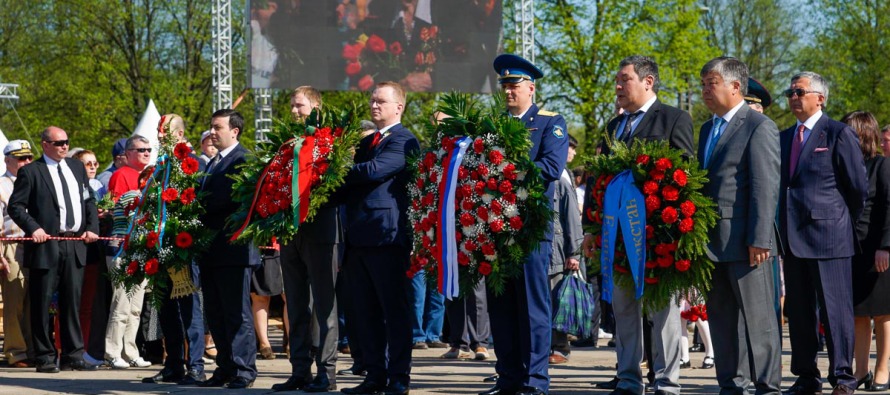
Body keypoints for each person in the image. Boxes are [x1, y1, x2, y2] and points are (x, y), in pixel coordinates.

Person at [581, 55, 695, 395]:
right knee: (624, 309)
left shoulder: (674, 119)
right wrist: (590, 227)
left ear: (648, 82)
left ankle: (666, 380)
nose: (617, 86)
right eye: (617, 79)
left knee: (663, 312)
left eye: (624, 79)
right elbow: (598, 177)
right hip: (616, 235)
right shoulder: (613, 127)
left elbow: (685, 174)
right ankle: (628, 377)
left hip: (657, 235)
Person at [479, 54, 568, 395]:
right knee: (501, 309)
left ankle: (534, 381)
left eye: (514, 85)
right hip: (494, 231)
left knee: (533, 309)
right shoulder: (494, 125)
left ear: (531, 88)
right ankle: (509, 378)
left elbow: (549, 167)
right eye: (504, 85)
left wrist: (504, 175)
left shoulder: (549, 123)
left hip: (529, 227)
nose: (508, 92)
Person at [697, 56, 782, 394]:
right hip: (712, 244)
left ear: (735, 87)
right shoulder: (707, 128)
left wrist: (760, 238)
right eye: (702, 84)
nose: (704, 90)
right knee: (721, 320)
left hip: (749, 244)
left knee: (759, 322)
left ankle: (767, 386)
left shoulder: (759, 126)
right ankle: (731, 385)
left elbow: (765, 185)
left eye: (711, 83)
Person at [779, 71, 868, 395]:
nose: (793, 97)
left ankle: (843, 377)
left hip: (830, 238)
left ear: (820, 98)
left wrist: (842, 223)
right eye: (790, 92)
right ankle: (806, 377)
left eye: (799, 91)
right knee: (800, 313)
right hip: (793, 238)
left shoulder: (837, 133)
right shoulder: (785, 136)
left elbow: (858, 189)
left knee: (835, 314)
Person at [339, 81, 419, 395]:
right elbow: (355, 179)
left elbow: (374, 171)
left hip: (387, 236)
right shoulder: (368, 140)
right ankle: (374, 375)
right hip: (358, 236)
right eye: (372, 101)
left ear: (398, 107)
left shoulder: (404, 139)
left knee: (393, 311)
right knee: (365, 312)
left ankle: (399, 377)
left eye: (381, 101)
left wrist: (339, 170)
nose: (374, 106)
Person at [8, 126, 100, 373]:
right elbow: (16, 207)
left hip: (75, 243)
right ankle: (45, 356)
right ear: (45, 144)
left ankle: (73, 354)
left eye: (67, 142)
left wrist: (92, 227)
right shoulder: (31, 171)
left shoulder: (76, 168)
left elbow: (88, 200)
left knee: (72, 302)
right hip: (46, 243)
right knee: (41, 302)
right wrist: (33, 228)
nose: (64, 147)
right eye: (59, 143)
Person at [271, 85, 341, 393]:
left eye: (299, 105)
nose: (294, 111)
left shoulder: (331, 142)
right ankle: (300, 370)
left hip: (321, 232)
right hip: (291, 233)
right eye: (292, 106)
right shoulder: (287, 144)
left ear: (315, 107)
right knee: (296, 305)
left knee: (324, 307)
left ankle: (326, 372)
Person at [142, 114, 208, 386]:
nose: (159, 138)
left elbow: (199, 205)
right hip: (161, 246)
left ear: (179, 136)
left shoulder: (195, 164)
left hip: (184, 248)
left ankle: (196, 366)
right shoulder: (161, 166)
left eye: (165, 134)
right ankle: (173, 365)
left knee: (190, 309)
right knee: (166, 310)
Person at [196, 109, 257, 389]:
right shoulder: (211, 163)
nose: (212, 132)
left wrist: (197, 205)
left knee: (236, 312)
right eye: (210, 127)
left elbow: (233, 199)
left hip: (234, 249)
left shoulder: (243, 160)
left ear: (234, 131)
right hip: (211, 249)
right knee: (217, 313)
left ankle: (244, 369)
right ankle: (225, 367)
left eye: (217, 127)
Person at [840, 111, 890, 392]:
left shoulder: (881, 165)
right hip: (851, 250)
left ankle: (883, 370)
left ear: (863, 134)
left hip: (877, 253)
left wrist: (886, 246)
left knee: (882, 314)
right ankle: (861, 371)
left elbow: (888, 208)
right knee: (858, 314)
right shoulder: (845, 165)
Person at [104, 135, 153, 369]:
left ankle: (130, 351)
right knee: (121, 303)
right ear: (128, 153)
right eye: (141, 149)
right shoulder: (121, 175)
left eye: (148, 149)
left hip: (142, 248)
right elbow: (116, 210)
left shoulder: (150, 177)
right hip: (122, 247)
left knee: (136, 307)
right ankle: (112, 351)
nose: (146, 153)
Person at [548, 135, 583, 365]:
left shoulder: (561, 178)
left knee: (557, 300)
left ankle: (561, 347)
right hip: (546, 250)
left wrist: (574, 253)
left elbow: (571, 218)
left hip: (558, 251)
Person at [0, 140, 34, 368]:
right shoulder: (2, 185)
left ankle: (31, 349)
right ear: (7, 160)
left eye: (29, 158)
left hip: (34, 244)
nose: (26, 162)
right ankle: (15, 352)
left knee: (33, 301)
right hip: (10, 244)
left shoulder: (33, 180)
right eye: (21, 158)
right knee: (14, 301)